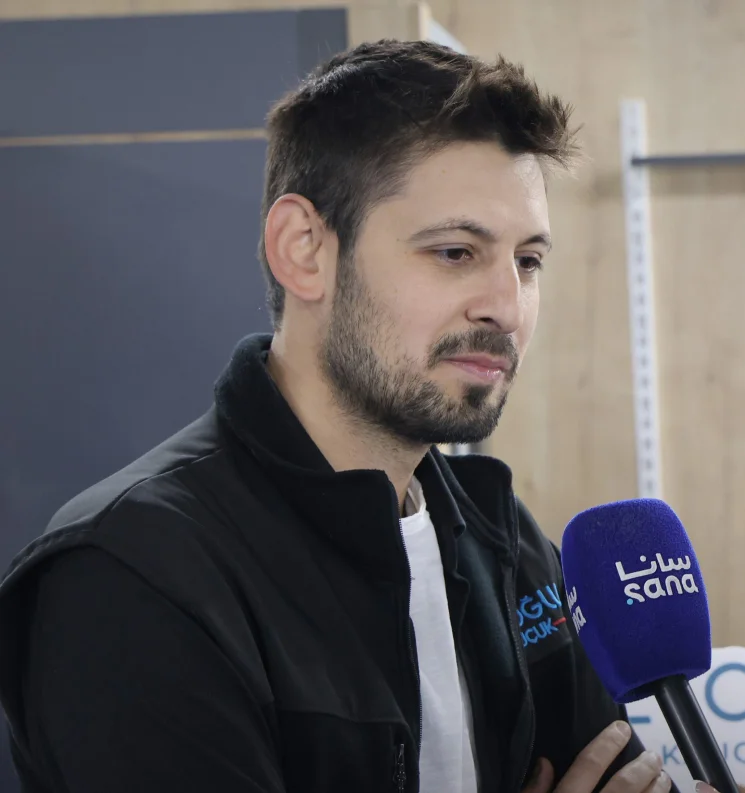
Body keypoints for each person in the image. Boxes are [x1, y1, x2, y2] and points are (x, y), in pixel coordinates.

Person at [0, 39, 697, 793]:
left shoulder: (508, 542)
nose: (506, 305)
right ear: (303, 250)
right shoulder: (134, 575)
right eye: (456, 252)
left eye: (528, 261)